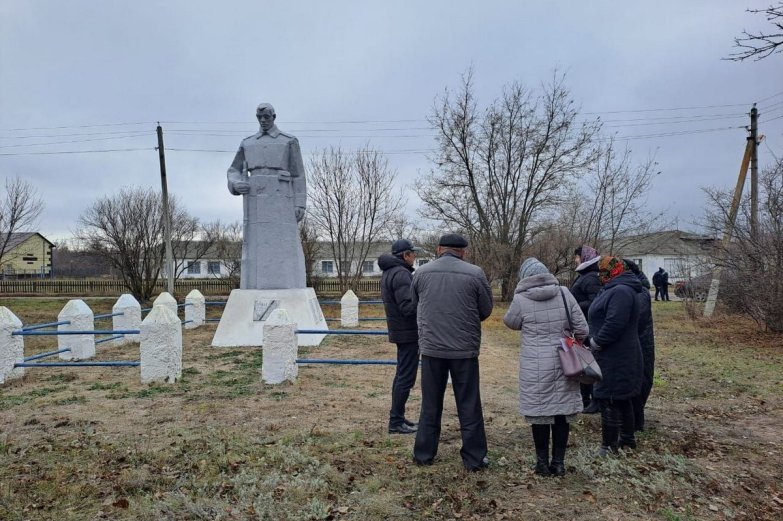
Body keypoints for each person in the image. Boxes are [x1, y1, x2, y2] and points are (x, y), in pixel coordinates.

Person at [411, 233, 494, 471]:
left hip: (432, 349)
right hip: (464, 350)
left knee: (430, 403)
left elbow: (415, 303)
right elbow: (486, 309)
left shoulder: (421, 274)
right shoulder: (475, 273)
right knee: (469, 403)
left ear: (438, 249)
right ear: (463, 251)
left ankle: (424, 454)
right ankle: (474, 458)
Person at [504, 258, 588, 477]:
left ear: (525, 276)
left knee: (539, 413)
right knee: (562, 413)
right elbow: (582, 329)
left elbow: (510, 322)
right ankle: (558, 463)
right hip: (565, 361)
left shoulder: (521, 298)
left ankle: (541, 464)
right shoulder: (563, 293)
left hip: (535, 363)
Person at [226, 103, 307, 290]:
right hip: (255, 201)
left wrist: (300, 203)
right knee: (256, 248)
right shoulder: (248, 143)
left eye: (267, 117)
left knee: (284, 247)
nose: (263, 121)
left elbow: (298, 175)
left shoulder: (289, 141)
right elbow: (233, 170)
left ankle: (287, 285)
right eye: (259, 117)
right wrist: (237, 184)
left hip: (282, 198)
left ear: (274, 117)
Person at [586, 256, 644, 455]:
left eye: (601, 271)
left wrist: (596, 342)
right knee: (620, 397)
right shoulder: (614, 287)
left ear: (612, 271)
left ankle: (608, 446)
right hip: (616, 352)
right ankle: (626, 439)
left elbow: (615, 323)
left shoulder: (621, 291)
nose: (598, 275)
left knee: (609, 397)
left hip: (616, 354)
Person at [378, 239, 424, 434]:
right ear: (405, 255)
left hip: (401, 332)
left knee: (401, 376)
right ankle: (396, 422)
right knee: (405, 377)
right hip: (408, 333)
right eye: (412, 254)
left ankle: (398, 417)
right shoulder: (402, 274)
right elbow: (407, 307)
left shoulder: (390, 272)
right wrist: (424, 303)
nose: (414, 257)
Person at [624, 259, 655, 432]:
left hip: (640, 343)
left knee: (639, 380)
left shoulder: (638, 292)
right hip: (639, 341)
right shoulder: (637, 288)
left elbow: (634, 320)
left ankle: (636, 422)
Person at [570, 245, 602, 414]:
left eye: (577, 257)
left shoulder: (590, 278)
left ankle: (593, 400)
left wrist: (573, 306)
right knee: (584, 363)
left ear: (584, 258)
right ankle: (586, 399)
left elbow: (596, 303)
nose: (575, 260)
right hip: (583, 325)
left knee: (588, 364)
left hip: (589, 327)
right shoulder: (585, 276)